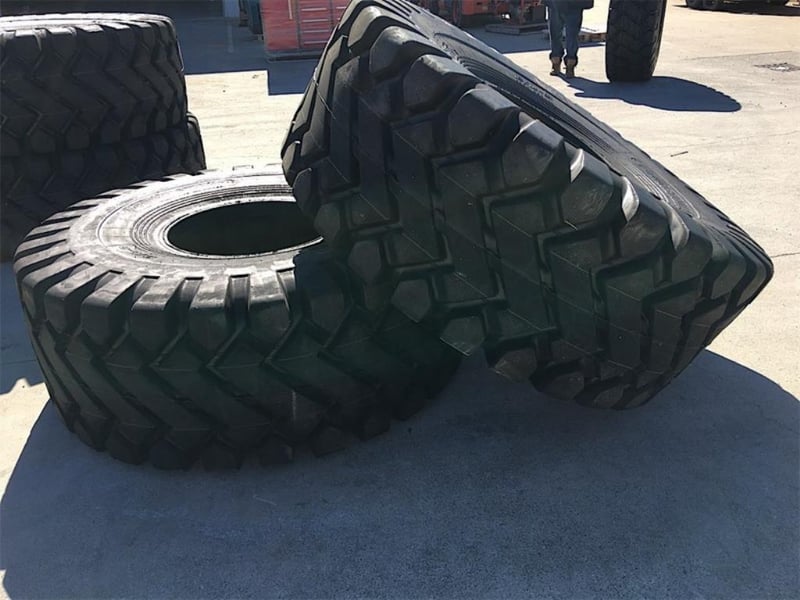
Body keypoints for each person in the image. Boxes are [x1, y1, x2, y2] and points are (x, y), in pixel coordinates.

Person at [545, 0, 594, 79]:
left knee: (569, 35)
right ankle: (560, 62)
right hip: (560, 4)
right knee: (558, 33)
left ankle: (568, 64)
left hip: (572, 5)